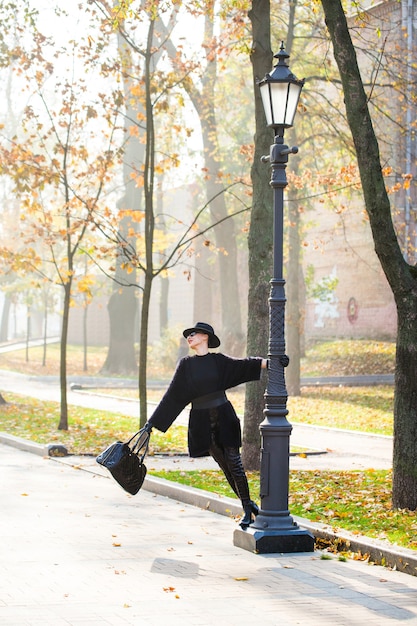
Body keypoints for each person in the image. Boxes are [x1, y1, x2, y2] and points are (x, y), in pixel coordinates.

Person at [145, 322, 268, 529]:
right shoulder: (186, 365)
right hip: (202, 422)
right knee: (226, 467)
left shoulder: (218, 361)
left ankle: (247, 509)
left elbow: (243, 365)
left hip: (224, 417)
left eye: (193, 334)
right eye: (188, 335)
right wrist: (152, 422)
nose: (189, 337)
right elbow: (173, 395)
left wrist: (269, 362)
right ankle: (248, 505)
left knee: (235, 463)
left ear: (205, 337)